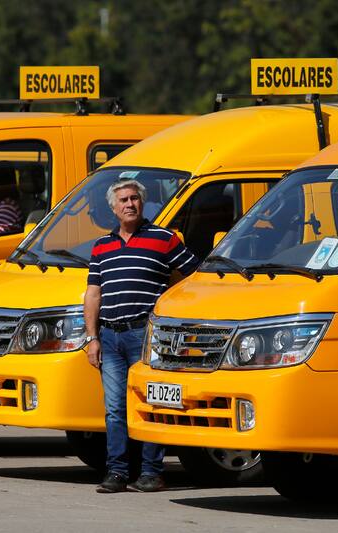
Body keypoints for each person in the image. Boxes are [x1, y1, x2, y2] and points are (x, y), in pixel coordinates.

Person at [83, 177, 199, 493]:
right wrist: (91, 338)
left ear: (142, 202)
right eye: (123, 200)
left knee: (150, 405)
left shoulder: (164, 239)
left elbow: (194, 278)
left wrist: (173, 319)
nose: (130, 204)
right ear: (113, 208)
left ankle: (151, 473)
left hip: (146, 337)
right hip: (109, 337)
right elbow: (93, 295)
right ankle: (117, 473)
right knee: (115, 410)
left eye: (134, 198)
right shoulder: (102, 247)